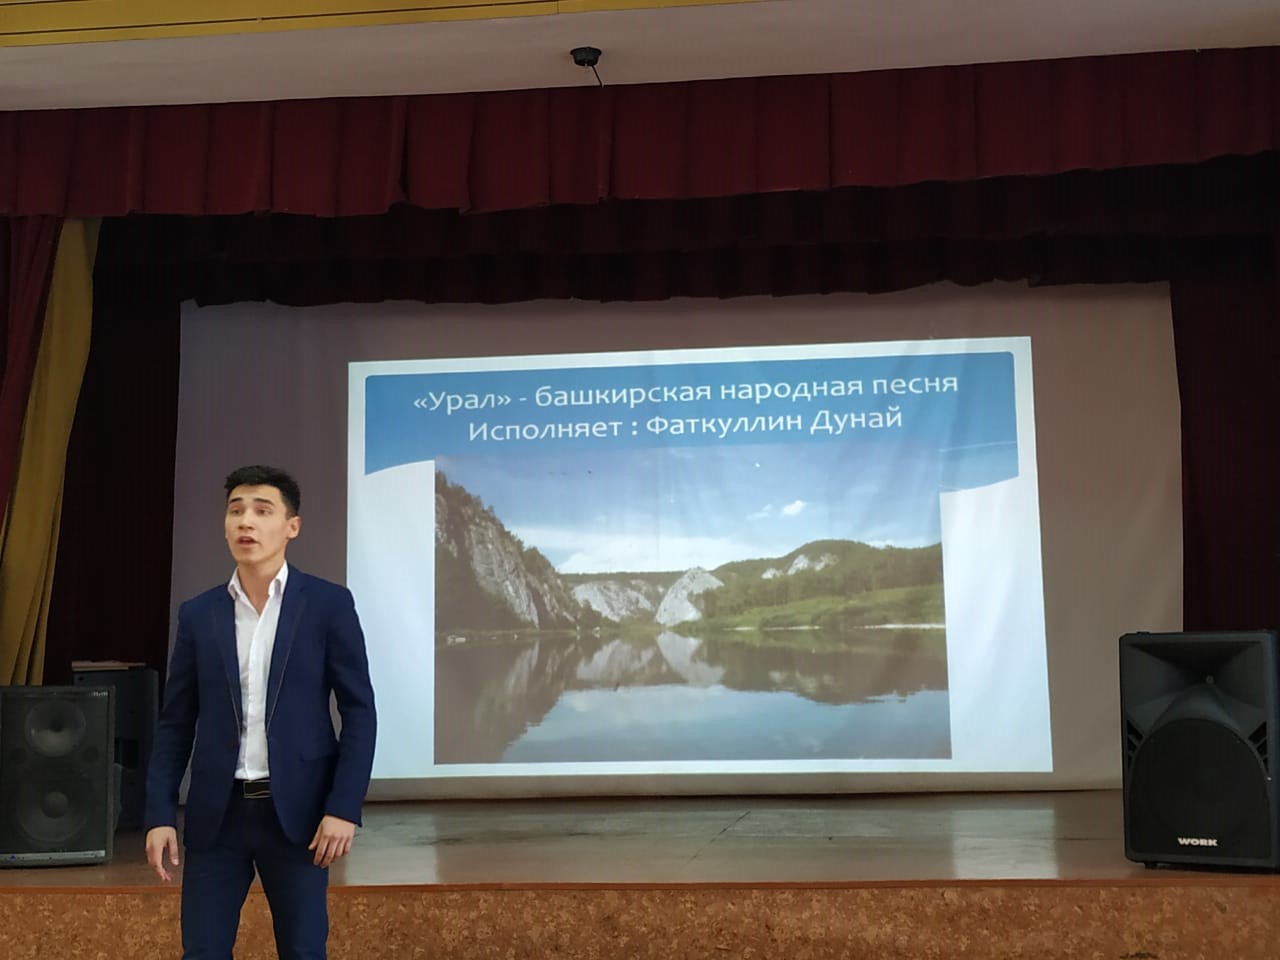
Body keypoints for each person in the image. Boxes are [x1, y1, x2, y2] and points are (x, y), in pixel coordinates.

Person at [144, 465, 377, 960]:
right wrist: (160, 813)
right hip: (217, 815)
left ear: (292, 526)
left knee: (303, 950)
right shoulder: (199, 613)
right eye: (236, 511)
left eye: (262, 510)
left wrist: (343, 807)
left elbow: (359, 713)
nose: (245, 521)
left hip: (298, 816)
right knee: (202, 952)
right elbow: (175, 723)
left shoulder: (328, 604)